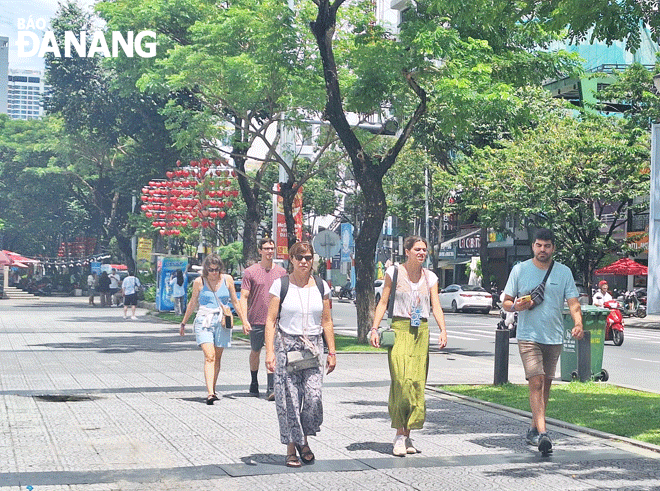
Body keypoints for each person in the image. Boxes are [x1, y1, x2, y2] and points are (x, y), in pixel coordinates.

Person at [502, 228, 583, 455]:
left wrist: (578, 323)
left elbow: (573, 303)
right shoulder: (520, 270)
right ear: (533, 247)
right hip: (528, 336)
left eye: (547, 246)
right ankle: (543, 434)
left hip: (554, 336)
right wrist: (515, 306)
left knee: (546, 384)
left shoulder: (563, 272)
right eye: (539, 245)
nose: (542, 250)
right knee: (536, 381)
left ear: (553, 248)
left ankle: (533, 427)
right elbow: (506, 302)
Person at [370, 236, 447, 457]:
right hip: (400, 328)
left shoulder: (430, 277)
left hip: (420, 330)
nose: (421, 253)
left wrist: (443, 330)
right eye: (417, 249)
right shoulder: (393, 273)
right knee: (401, 381)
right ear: (407, 251)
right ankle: (399, 433)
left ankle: (407, 433)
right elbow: (383, 302)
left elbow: (436, 306)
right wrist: (374, 329)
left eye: (424, 250)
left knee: (416, 383)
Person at [265, 241, 336, 468]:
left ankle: (303, 438)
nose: (304, 261)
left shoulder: (321, 286)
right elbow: (270, 320)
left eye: (307, 257)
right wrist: (269, 352)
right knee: (290, 401)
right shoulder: (281, 285)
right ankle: (292, 448)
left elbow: (326, 321)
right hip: (288, 346)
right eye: (299, 258)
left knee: (313, 398)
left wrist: (332, 351)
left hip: (313, 347)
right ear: (292, 260)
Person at [180, 254, 248, 404]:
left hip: (222, 321)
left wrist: (244, 321)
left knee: (217, 357)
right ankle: (210, 393)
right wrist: (184, 322)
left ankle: (213, 388)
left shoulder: (227, 279)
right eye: (211, 270)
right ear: (206, 270)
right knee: (209, 355)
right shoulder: (199, 282)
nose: (214, 273)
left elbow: (235, 302)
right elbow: (192, 303)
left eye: (217, 269)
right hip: (204, 320)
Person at [240, 238, 287, 400]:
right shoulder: (250, 272)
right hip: (256, 319)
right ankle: (254, 381)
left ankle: (271, 387)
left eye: (272, 248)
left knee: (271, 351)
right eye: (266, 248)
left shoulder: (281, 273)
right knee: (255, 351)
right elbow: (244, 297)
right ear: (260, 251)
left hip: (275, 320)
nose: (269, 251)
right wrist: (244, 319)